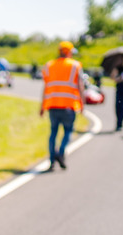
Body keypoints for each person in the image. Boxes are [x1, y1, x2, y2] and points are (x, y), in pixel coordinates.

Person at [40, 41, 85, 171]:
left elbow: (45, 87)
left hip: (52, 105)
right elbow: (80, 86)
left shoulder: (49, 65)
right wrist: (82, 104)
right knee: (68, 132)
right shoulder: (75, 66)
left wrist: (42, 106)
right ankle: (60, 153)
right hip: (69, 106)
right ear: (69, 52)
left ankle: (52, 160)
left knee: (53, 133)